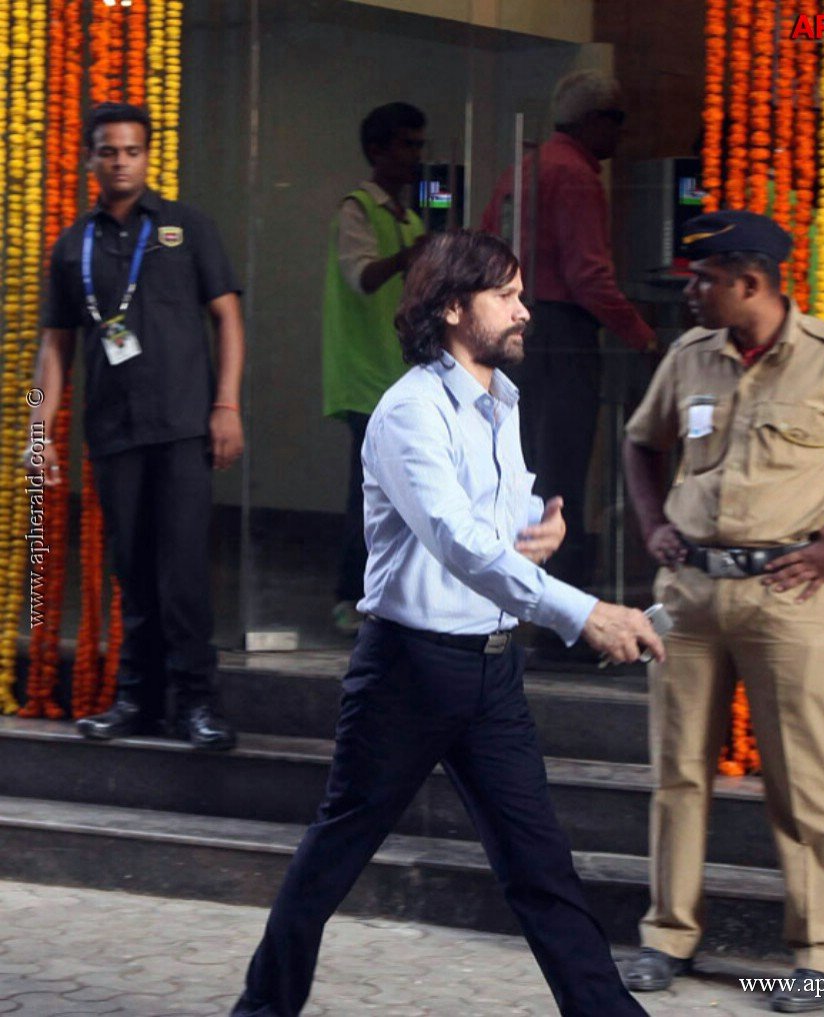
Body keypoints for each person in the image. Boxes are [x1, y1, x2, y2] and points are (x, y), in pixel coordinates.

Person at [232, 230, 664, 1017]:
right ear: (455, 306)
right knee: (336, 855)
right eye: (507, 295)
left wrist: (539, 524)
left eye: (521, 293)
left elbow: (486, 521)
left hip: (491, 671)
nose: (524, 310)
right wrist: (581, 611)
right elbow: (455, 539)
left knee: (540, 866)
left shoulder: (500, 398)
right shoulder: (407, 413)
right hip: (409, 669)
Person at [618, 210, 824, 1013]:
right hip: (688, 591)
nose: (688, 292)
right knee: (675, 769)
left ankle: (822, 950)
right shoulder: (688, 356)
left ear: (749, 283)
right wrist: (653, 523)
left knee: (804, 776)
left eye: (702, 280)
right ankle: (666, 936)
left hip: (785, 594)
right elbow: (639, 441)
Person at [28, 102, 245, 751]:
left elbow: (227, 317)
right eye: (108, 150)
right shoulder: (73, 244)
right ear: (89, 158)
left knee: (181, 569)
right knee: (132, 569)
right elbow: (54, 347)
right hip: (115, 429)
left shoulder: (187, 227)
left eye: (131, 151)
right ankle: (136, 702)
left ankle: (197, 704)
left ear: (147, 158)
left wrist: (226, 404)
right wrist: (39, 434)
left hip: (183, 425)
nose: (120, 161)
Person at [481, 70, 656, 588]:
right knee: (563, 481)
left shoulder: (522, 170)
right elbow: (590, 278)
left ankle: (516, 596)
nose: (620, 135)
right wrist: (643, 337)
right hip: (564, 337)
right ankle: (565, 612)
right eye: (617, 121)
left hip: (515, 336)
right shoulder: (577, 175)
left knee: (523, 472)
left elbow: (489, 253)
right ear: (593, 120)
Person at [321, 101, 427, 635]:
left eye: (418, 144)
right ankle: (349, 595)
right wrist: (409, 258)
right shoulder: (357, 209)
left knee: (398, 488)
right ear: (377, 151)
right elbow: (361, 277)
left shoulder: (409, 217)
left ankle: (387, 593)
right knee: (368, 489)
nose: (415, 155)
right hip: (365, 376)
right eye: (405, 144)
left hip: (399, 375)